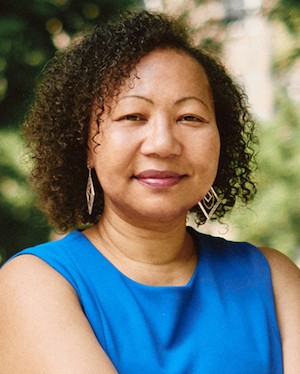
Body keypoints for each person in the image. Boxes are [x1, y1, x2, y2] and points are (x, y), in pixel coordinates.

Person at [0, 10, 299, 374]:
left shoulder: (274, 279)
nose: (163, 144)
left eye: (190, 117)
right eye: (133, 117)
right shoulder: (36, 283)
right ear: (85, 146)